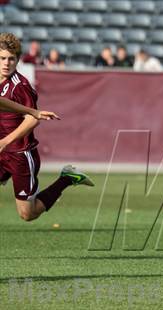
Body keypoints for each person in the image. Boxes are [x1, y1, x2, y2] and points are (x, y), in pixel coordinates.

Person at [0, 32, 94, 222]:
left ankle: (67, 178)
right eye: (2, 58)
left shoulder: (21, 86)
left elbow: (33, 119)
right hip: (2, 151)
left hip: (21, 154)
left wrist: (5, 141)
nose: (6, 63)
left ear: (18, 60)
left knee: (28, 214)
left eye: (11, 59)